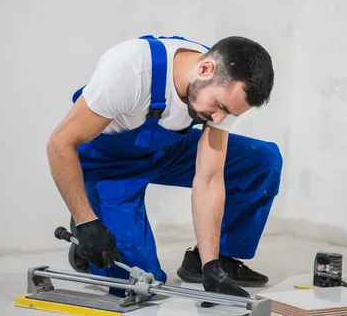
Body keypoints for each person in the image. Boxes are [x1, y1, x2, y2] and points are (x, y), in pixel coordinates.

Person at [46, 34, 282, 299]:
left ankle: (212, 260)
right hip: (108, 167)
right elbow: (59, 143)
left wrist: (211, 266)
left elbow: (209, 178)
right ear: (205, 69)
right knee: (141, 283)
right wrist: (86, 221)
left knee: (262, 161)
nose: (219, 119)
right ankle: (88, 227)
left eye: (230, 114)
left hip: (168, 150)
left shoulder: (222, 91)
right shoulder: (130, 69)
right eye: (219, 107)